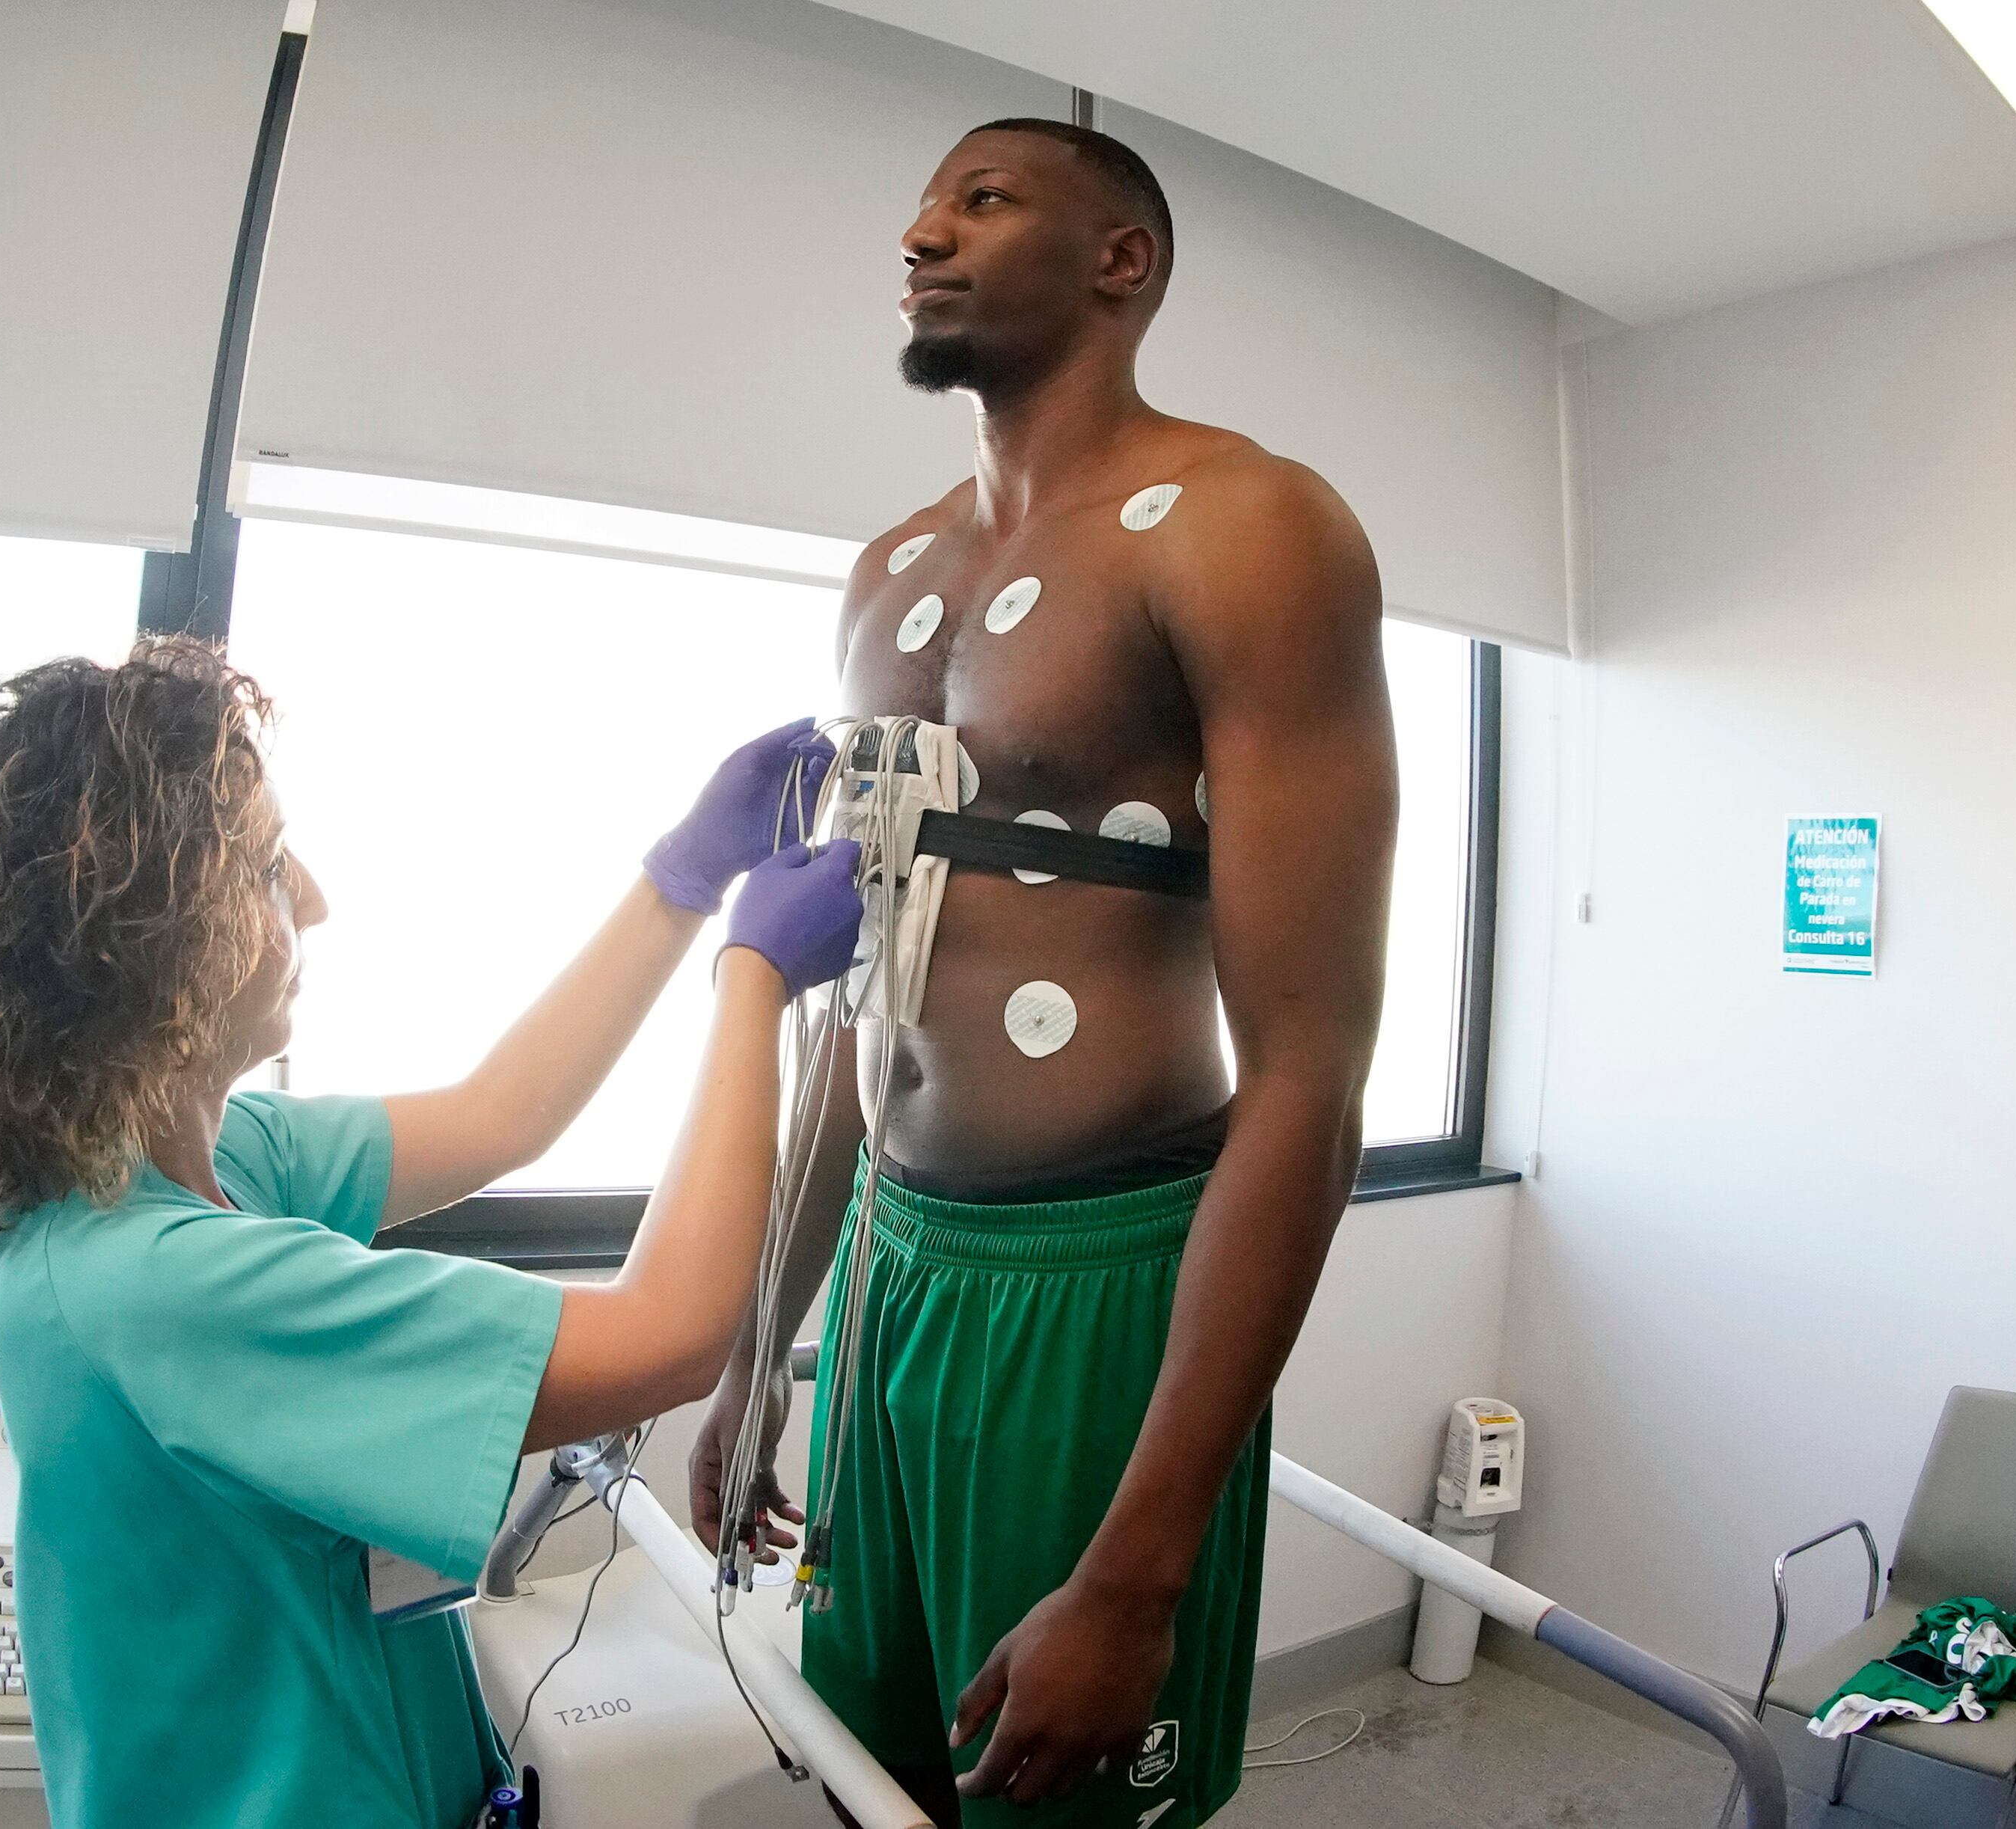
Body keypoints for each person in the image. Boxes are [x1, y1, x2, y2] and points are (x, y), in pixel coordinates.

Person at [687, 118, 1399, 1828]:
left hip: (1097, 1283)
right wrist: (749, 1355)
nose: (920, 232)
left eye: (978, 200)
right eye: (918, 202)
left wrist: (1138, 1577)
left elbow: (1306, 1073)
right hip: (890, 1267)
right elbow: (865, 1013)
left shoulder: (1249, 528)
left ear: (1118, 262)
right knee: (879, 1777)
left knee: (1051, 1804)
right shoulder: (890, 576)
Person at [0, 637, 860, 1829]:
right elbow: (675, 1335)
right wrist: (751, 982)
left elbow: (505, 1113)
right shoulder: (160, 1284)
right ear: (147, 944)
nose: (315, 900)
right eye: (268, 869)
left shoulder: (197, 1161)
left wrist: (681, 878)